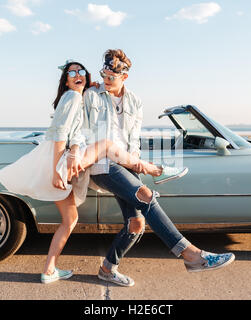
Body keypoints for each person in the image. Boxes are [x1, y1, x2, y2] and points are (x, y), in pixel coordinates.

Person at [0, 60, 188, 284]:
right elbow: (59, 134)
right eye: (72, 73)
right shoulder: (73, 97)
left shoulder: (81, 96)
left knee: (70, 220)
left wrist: (74, 150)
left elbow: (76, 133)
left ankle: (49, 270)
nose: (77, 75)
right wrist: (58, 170)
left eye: (81, 72)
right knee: (106, 145)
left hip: (65, 160)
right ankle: (156, 170)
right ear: (66, 80)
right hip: (57, 161)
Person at [82, 49, 235, 287]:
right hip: (102, 163)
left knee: (136, 224)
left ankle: (107, 268)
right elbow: (86, 133)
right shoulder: (90, 95)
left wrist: (135, 165)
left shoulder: (134, 101)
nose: (107, 78)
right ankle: (192, 255)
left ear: (125, 76)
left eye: (112, 74)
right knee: (146, 196)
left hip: (126, 164)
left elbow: (133, 140)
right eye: (104, 73)